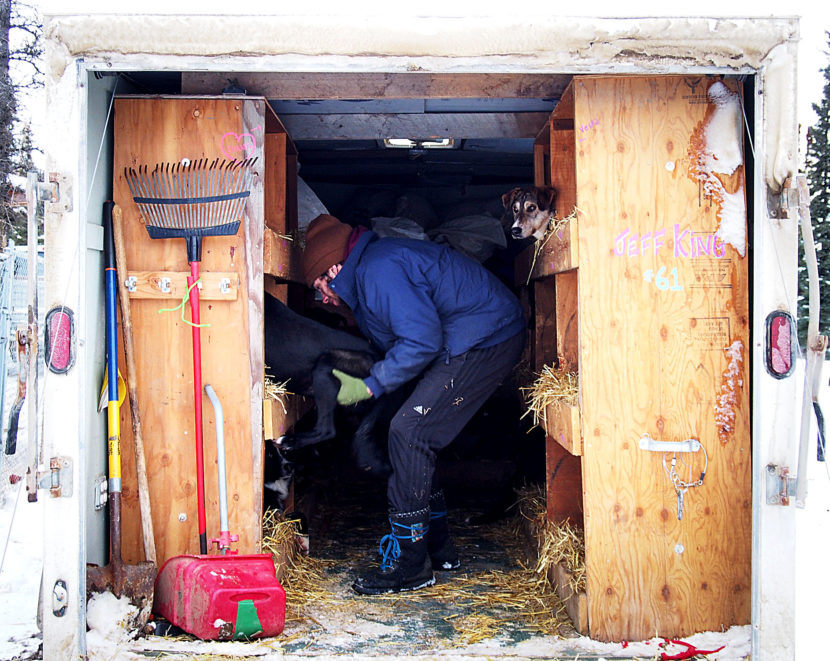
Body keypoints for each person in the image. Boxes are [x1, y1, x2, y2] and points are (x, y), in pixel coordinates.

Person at [301, 213, 526, 595]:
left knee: (410, 433)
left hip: (486, 337)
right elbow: (401, 339)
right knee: (409, 433)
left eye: (321, 283)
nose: (322, 296)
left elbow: (420, 341)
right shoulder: (369, 275)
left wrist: (371, 386)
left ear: (335, 266)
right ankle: (438, 548)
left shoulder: (379, 270)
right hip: (466, 338)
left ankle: (411, 566)